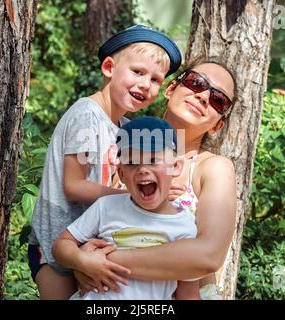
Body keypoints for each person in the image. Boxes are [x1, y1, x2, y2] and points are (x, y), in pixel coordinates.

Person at [27, 25, 182, 299]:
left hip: (90, 243)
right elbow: (74, 185)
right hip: (57, 244)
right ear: (109, 67)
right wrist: (127, 195)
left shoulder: (125, 128)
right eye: (138, 72)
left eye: (156, 80)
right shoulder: (88, 117)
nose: (146, 84)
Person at [66, 56, 238, 300]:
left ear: (217, 126)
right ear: (171, 88)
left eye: (218, 100)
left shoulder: (213, 168)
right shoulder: (122, 145)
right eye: (197, 83)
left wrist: (100, 261)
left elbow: (208, 255)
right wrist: (79, 260)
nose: (204, 97)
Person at [53, 116, 200, 300]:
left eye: (153, 160)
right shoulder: (106, 207)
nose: (143, 169)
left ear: (176, 166)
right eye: (132, 163)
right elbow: (61, 245)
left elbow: (188, 295)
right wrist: (81, 261)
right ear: (121, 174)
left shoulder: (185, 228)